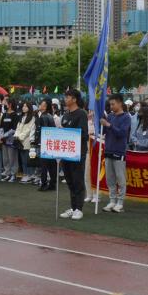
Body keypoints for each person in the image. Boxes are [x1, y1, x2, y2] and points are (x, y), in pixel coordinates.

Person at [59, 89, 89, 220]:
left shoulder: (81, 114)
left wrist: (66, 131)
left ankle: (79, 209)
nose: (65, 99)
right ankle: (73, 207)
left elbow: (83, 134)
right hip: (66, 152)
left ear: (75, 99)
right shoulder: (66, 115)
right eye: (65, 97)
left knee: (78, 181)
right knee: (70, 181)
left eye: (68, 97)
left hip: (77, 153)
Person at [100, 94, 131, 213]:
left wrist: (108, 125)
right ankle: (112, 200)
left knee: (120, 178)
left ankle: (120, 202)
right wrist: (102, 123)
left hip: (119, 151)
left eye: (113, 104)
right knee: (110, 178)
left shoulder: (126, 117)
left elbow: (122, 133)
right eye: (110, 104)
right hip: (108, 150)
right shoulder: (110, 116)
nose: (111, 106)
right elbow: (105, 131)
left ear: (120, 103)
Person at [34, 99, 58, 191]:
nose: (39, 105)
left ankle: (44, 183)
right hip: (50, 143)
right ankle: (52, 184)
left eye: (41, 104)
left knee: (44, 165)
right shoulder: (49, 116)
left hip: (45, 143)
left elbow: (44, 130)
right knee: (51, 165)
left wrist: (39, 141)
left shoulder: (43, 116)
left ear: (45, 106)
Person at [15, 102, 36, 183]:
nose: (23, 108)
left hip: (27, 141)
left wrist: (20, 136)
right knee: (23, 159)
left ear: (29, 108)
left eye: (25, 106)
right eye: (23, 106)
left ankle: (30, 174)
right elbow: (18, 128)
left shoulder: (32, 118)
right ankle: (25, 174)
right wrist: (16, 135)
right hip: (20, 141)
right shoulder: (22, 117)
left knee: (28, 159)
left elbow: (29, 130)